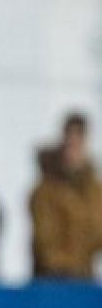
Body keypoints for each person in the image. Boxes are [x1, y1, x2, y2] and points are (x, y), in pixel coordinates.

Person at [30, 112, 102, 279]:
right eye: (70, 142)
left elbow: (97, 232)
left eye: (78, 142)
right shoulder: (45, 190)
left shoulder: (94, 190)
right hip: (51, 279)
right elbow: (45, 241)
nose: (73, 149)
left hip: (84, 277)